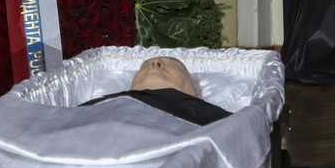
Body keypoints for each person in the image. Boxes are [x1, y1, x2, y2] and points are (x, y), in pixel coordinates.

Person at [79, 55, 230, 125]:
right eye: (144, 66)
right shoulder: (93, 106)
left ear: (196, 95)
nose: (154, 62)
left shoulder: (218, 119)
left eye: (173, 65)